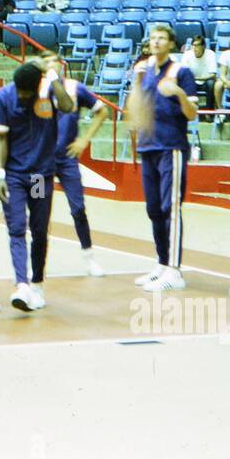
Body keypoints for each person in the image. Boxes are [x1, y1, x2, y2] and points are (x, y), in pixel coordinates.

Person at [0, 59, 75, 310]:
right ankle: (22, 285)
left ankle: (37, 283)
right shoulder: (3, 97)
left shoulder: (47, 92)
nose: (21, 95)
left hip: (40, 176)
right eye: (19, 90)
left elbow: (68, 106)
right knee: (17, 227)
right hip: (15, 176)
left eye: (25, 92)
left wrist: (53, 78)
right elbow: (1, 138)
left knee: (39, 230)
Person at [127, 25, 200, 291]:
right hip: (148, 146)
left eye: (161, 38)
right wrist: (136, 82)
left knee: (171, 207)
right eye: (153, 38)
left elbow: (192, 114)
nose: (156, 42)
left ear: (171, 43)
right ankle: (161, 262)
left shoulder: (181, 72)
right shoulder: (144, 73)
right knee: (153, 209)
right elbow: (135, 110)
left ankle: (175, 271)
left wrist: (179, 93)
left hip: (172, 146)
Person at [42, 50, 109, 275]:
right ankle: (36, 259)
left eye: (54, 61)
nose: (51, 65)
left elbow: (102, 111)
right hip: (39, 163)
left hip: (68, 160)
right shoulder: (36, 89)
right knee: (37, 208)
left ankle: (89, 257)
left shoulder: (75, 87)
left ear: (61, 65)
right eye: (46, 62)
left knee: (78, 207)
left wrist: (84, 139)